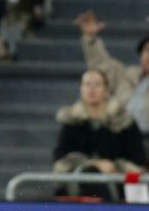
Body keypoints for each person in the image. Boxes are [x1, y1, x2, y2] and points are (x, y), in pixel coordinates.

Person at [53, 70, 147, 200]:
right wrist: (94, 164)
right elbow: (60, 157)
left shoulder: (124, 121)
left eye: (97, 84)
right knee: (89, 173)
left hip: (119, 183)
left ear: (106, 90)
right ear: (81, 89)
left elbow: (138, 159)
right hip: (78, 183)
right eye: (87, 84)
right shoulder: (72, 121)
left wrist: (114, 166)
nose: (92, 89)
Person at [77, 11, 149, 137]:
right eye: (147, 50)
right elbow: (100, 64)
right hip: (123, 136)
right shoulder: (127, 76)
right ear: (140, 55)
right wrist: (90, 38)